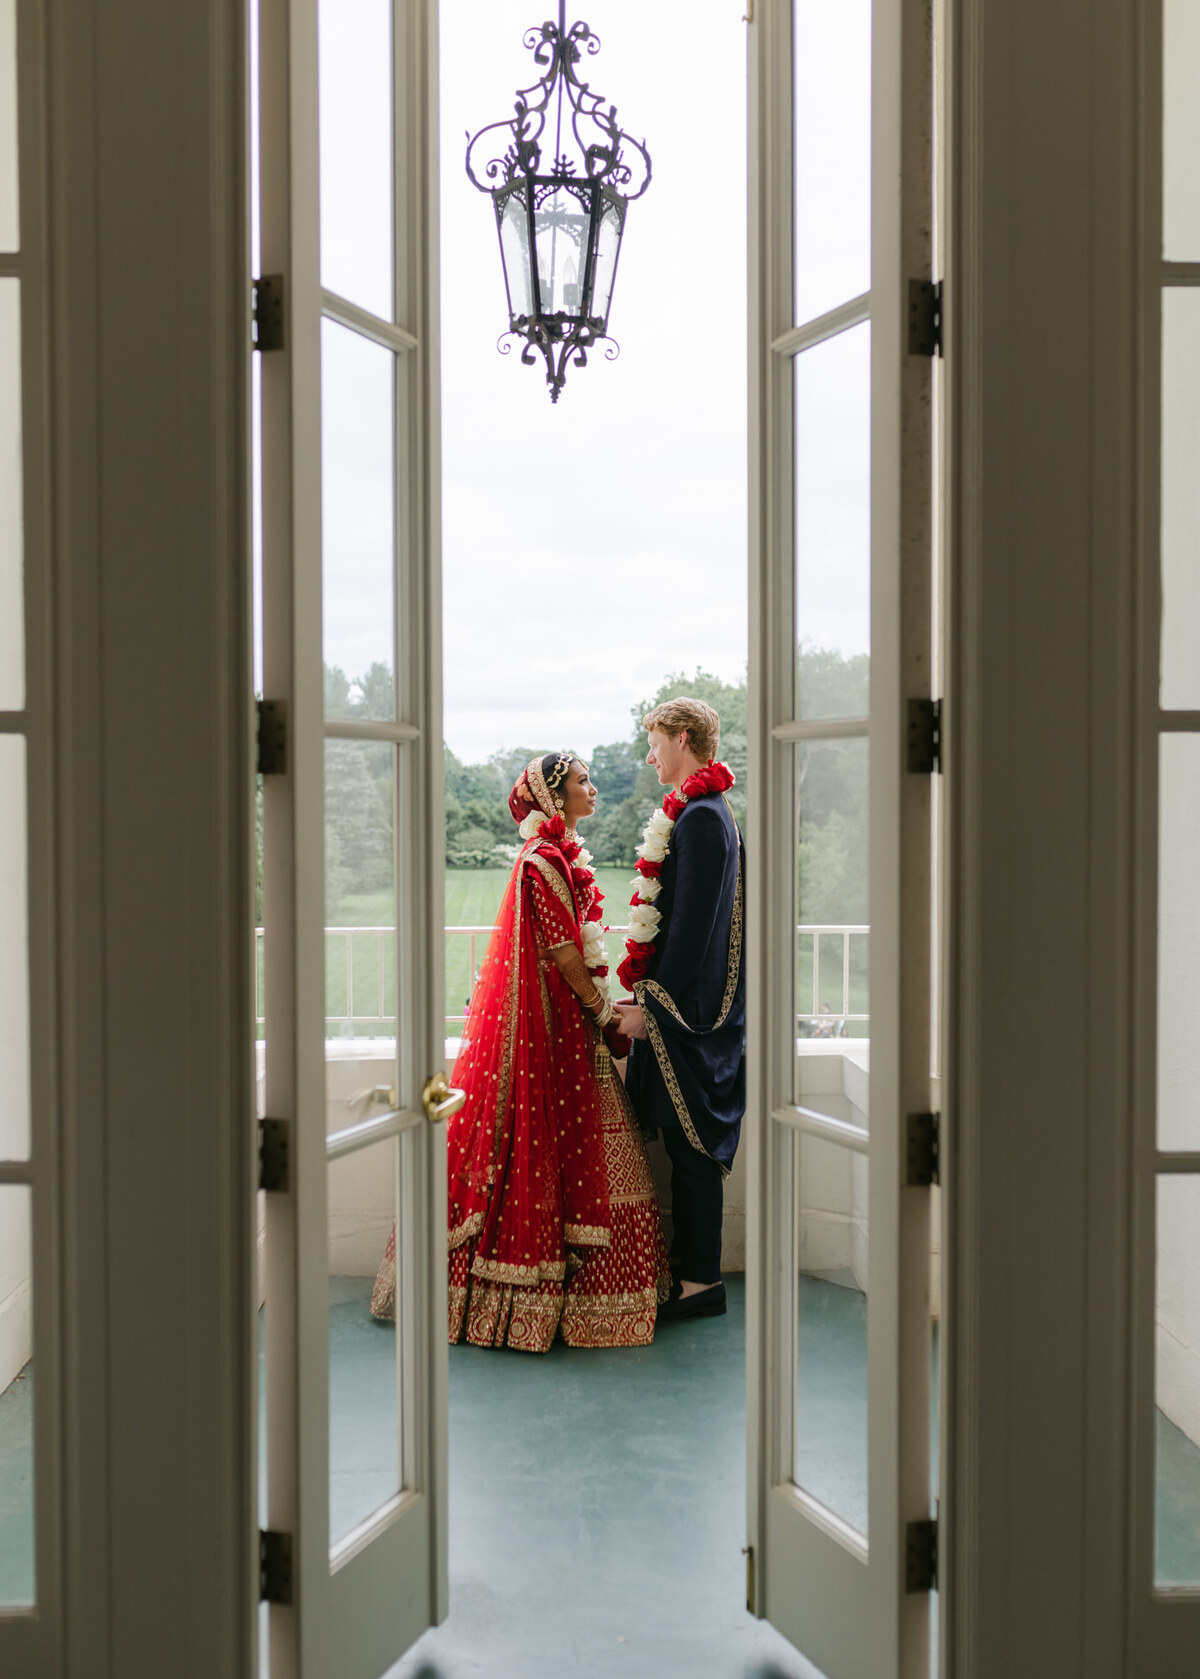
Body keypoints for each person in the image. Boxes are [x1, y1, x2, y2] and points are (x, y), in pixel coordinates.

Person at [370, 751, 671, 1351]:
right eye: (584, 782)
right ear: (554, 797)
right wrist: (607, 1012)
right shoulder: (543, 863)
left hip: (564, 1032)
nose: (593, 789)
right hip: (551, 1036)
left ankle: (583, 1299)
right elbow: (564, 954)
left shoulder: (556, 858)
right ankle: (530, 1301)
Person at [613, 698, 746, 1322]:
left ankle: (700, 1283)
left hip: (690, 1017)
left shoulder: (700, 817)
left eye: (656, 741)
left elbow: (692, 932)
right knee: (680, 1142)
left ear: (684, 738)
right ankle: (692, 1274)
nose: (650, 754)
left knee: (691, 1151)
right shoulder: (702, 811)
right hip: (682, 1007)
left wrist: (651, 1008)